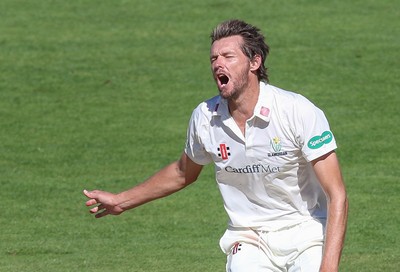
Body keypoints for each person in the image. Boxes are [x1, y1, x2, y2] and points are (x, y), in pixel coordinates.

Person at [84, 19, 348, 272]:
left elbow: (337, 194)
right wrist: (121, 201)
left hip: (305, 233)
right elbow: (181, 173)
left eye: (228, 57)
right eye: (214, 58)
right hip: (249, 238)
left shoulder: (297, 111)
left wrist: (329, 266)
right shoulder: (205, 117)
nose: (218, 64)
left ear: (255, 62)